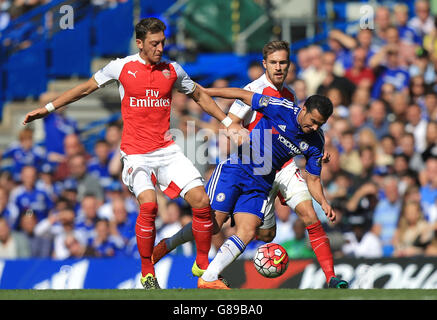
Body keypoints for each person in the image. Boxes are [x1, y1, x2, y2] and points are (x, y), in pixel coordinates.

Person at [22, 17, 241, 289]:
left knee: (201, 201)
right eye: (154, 43)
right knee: (149, 206)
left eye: (162, 42)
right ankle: (148, 272)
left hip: (167, 151)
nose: (160, 48)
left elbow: (198, 95)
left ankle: (202, 265)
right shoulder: (121, 67)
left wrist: (227, 120)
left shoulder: (172, 70)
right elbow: (86, 88)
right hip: (136, 154)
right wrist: (49, 108)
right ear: (139, 43)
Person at [153, 41, 346, 289]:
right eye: (274, 62)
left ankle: (331, 277)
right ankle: (171, 246)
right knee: (213, 226)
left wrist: (318, 174)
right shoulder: (258, 91)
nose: (279, 67)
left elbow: (304, 148)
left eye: (283, 62)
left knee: (277, 227)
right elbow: (231, 121)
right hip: (248, 162)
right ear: (265, 64)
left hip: (280, 167)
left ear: (289, 65)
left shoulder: (291, 98)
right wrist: (212, 104)